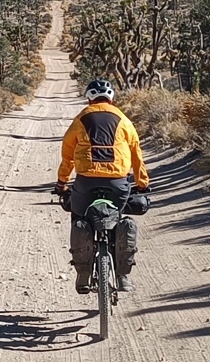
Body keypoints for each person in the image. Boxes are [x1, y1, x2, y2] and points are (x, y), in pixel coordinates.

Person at [55, 78, 150, 294]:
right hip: (118, 182)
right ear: (111, 98)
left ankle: (83, 274)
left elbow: (67, 156)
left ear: (89, 97)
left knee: (79, 217)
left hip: (86, 181)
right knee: (119, 218)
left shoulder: (81, 119)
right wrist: (142, 184)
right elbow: (137, 155)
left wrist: (61, 183)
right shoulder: (124, 120)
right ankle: (123, 275)